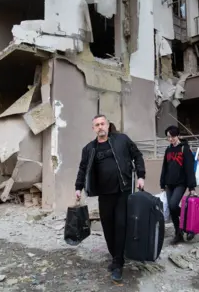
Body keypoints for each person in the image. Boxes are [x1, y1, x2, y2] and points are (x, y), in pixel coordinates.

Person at [75, 114, 145, 283]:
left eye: (102, 123)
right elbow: (83, 169)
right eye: (97, 125)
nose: (100, 127)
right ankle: (116, 256)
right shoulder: (89, 149)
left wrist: (141, 176)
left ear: (107, 125)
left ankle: (118, 263)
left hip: (123, 190)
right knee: (108, 227)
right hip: (104, 194)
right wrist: (78, 187)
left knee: (120, 225)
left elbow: (138, 155)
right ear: (93, 128)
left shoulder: (122, 140)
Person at [159, 125, 196, 245]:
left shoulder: (185, 149)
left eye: (172, 136)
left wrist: (191, 187)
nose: (170, 139)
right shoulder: (168, 150)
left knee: (174, 205)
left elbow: (189, 169)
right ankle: (178, 233)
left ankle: (190, 219)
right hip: (169, 184)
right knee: (171, 208)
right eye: (168, 137)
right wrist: (162, 182)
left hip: (181, 183)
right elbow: (164, 167)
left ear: (178, 135)